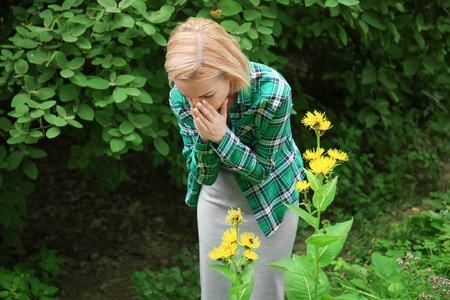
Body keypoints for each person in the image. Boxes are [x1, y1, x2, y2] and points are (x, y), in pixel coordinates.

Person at [164, 17, 304, 300]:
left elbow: (262, 171)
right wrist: (206, 138)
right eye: (187, 96)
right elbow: (202, 175)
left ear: (230, 73)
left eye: (205, 95)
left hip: (272, 199)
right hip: (217, 199)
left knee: (265, 293)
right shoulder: (183, 98)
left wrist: (222, 138)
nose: (196, 106)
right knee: (216, 293)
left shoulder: (273, 93)